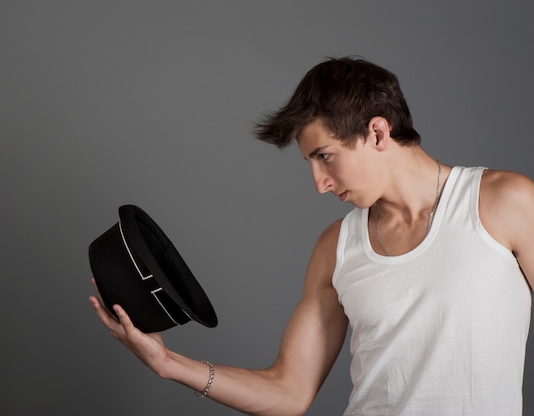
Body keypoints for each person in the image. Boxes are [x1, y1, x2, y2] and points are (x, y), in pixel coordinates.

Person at [89, 56, 533, 415]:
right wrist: (168, 365)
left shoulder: (505, 202)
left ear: (377, 132)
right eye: (310, 163)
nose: (319, 182)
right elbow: (288, 392)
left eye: (326, 157)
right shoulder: (336, 247)